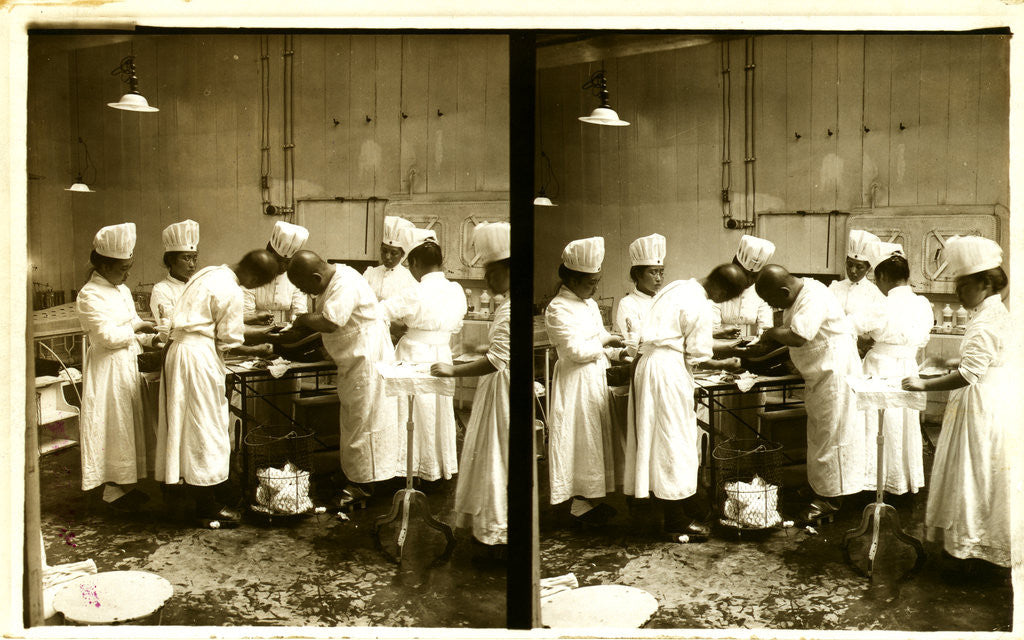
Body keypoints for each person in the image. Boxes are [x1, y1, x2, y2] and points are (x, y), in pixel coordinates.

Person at [902, 236, 1010, 568]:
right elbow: (985, 360)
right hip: (992, 396)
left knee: (972, 472)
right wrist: (955, 363)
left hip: (979, 405)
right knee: (980, 473)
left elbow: (969, 376)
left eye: (963, 285)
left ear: (986, 283)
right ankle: (976, 541)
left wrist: (924, 384)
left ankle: (972, 545)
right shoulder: (991, 311)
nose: (957, 293)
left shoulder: (984, 323)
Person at [155, 250, 278, 527]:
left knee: (184, 425)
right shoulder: (231, 290)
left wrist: (255, 329)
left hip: (177, 351)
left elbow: (212, 326)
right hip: (198, 357)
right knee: (207, 428)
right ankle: (207, 505)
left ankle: (188, 490)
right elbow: (229, 340)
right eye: (256, 284)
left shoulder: (209, 272)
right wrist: (260, 344)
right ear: (254, 276)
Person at [625, 264, 748, 542]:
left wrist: (720, 342)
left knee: (654, 439)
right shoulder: (701, 305)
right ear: (720, 288)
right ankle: (675, 521)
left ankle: (657, 506)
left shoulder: (678, 286)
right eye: (724, 297)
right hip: (667, 371)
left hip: (647, 366)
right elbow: (697, 356)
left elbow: (674, 337)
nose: (721, 302)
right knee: (675, 442)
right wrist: (727, 361)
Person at [286, 250, 403, 509]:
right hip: (354, 362)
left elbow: (330, 322)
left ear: (316, 277)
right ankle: (355, 474)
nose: (306, 293)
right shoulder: (334, 278)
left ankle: (362, 485)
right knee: (355, 421)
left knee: (365, 422)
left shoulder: (345, 282)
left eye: (304, 288)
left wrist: (302, 320)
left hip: (368, 362)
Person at [756, 265, 865, 523]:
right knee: (818, 436)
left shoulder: (813, 296)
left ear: (784, 291)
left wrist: (769, 334)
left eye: (772, 301)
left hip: (835, 374)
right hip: (820, 376)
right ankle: (820, 487)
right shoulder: (799, 295)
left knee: (832, 436)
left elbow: (797, 336)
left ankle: (830, 500)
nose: (772, 306)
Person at [430, 222, 510, 556]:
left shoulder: (508, 309)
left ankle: (495, 531)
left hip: (501, 391)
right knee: (492, 457)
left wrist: (453, 370)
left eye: (492, 273)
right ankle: (493, 527)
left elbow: (497, 362)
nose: (487, 280)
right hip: (497, 387)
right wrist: (483, 350)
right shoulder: (506, 305)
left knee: (495, 457)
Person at [76, 223, 159, 511]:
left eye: (129, 267)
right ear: (103, 265)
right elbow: (107, 337)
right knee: (114, 425)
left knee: (129, 424)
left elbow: (131, 321)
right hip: (108, 368)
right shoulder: (90, 295)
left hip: (127, 363)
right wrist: (138, 334)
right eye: (122, 268)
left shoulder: (120, 289)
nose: (127, 274)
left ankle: (125, 484)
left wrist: (149, 332)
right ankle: (112, 487)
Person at [545, 236, 626, 524]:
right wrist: (606, 344)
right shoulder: (557, 308)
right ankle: (578, 503)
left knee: (594, 439)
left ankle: (591, 498)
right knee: (580, 439)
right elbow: (575, 350)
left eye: (596, 280)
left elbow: (596, 338)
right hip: (576, 380)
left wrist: (616, 346)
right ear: (572, 279)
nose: (595, 287)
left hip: (595, 377)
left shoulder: (588, 304)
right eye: (590, 281)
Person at [381, 227, 467, 482]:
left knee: (410, 412)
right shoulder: (456, 290)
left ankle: (408, 469)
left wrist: (397, 328)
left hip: (413, 354)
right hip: (441, 353)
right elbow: (457, 325)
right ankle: (433, 467)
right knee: (435, 411)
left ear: (415, 262)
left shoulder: (415, 291)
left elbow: (380, 312)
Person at [861, 241, 933, 496]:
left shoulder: (881, 304)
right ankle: (901, 481)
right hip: (907, 367)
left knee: (878, 425)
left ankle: (875, 484)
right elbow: (922, 338)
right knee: (903, 424)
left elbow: (863, 328)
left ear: (881, 276)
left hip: (881, 366)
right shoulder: (923, 304)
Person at [829, 229, 886, 353]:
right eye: (849, 265)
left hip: (858, 352)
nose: (853, 270)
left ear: (869, 268)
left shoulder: (875, 294)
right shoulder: (834, 288)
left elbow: (875, 333)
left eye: (859, 267)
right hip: (831, 349)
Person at [244, 220, 309, 326]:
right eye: (278, 261)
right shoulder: (251, 275)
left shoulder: (295, 277)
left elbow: (300, 311)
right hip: (254, 329)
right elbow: (246, 313)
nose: (283, 267)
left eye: (288, 262)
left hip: (286, 331)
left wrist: (295, 323)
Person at [712, 234, 775, 339]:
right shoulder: (717, 289)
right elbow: (711, 329)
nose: (749, 281)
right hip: (719, 345)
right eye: (745, 275)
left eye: (754, 276)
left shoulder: (761, 292)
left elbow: (766, 327)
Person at [613, 233, 666, 346]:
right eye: (653, 272)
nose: (658, 278)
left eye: (661, 272)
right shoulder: (628, 303)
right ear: (638, 274)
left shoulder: (665, 299)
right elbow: (635, 342)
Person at [149, 219, 200, 327]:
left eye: (194, 258)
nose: (192, 264)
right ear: (171, 260)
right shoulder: (162, 289)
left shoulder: (198, 285)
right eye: (187, 258)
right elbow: (170, 326)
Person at [363, 215, 418, 303]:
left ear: (402, 254)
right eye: (384, 251)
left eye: (394, 253)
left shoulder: (409, 279)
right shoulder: (370, 274)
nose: (387, 257)